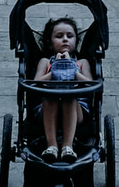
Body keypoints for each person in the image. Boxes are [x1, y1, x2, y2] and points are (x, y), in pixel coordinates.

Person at [33, 16, 93, 160]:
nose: (65, 39)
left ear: (76, 41)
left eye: (69, 36)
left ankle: (68, 146)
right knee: (52, 96)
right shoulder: (45, 61)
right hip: (47, 108)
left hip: (76, 109)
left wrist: (71, 69)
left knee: (68, 96)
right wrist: (57, 69)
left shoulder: (81, 62)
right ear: (50, 42)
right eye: (59, 36)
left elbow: (90, 83)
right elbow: (36, 82)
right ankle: (51, 146)